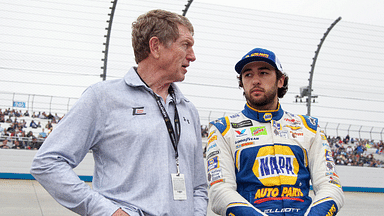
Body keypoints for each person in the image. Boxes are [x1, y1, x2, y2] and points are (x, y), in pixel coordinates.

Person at [30, 9, 207, 216]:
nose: (192, 56)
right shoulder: (103, 98)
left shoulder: (188, 110)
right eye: (185, 45)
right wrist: (108, 211)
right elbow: (47, 162)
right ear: (156, 46)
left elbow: (199, 187)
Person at [206, 48, 344, 215]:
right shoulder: (223, 129)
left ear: (280, 80)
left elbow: (330, 185)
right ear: (241, 82)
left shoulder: (309, 127)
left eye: (263, 73)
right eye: (248, 75)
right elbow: (219, 191)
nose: (255, 80)